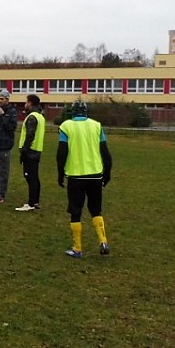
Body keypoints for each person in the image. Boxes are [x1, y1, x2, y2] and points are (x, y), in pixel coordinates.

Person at [56, 100, 113, 258]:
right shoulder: (96, 125)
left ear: (72, 112)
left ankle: (77, 248)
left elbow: (62, 154)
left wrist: (60, 174)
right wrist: (107, 173)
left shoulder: (66, 126)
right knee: (96, 209)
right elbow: (106, 154)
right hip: (95, 174)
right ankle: (103, 241)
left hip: (76, 175)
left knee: (76, 211)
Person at [15, 94, 45, 212]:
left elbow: (30, 135)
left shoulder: (32, 117)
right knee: (35, 177)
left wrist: (24, 151)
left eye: (26, 102)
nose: (25, 104)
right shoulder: (40, 116)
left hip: (30, 152)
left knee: (30, 177)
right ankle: (35, 201)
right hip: (37, 150)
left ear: (31, 103)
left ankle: (31, 203)